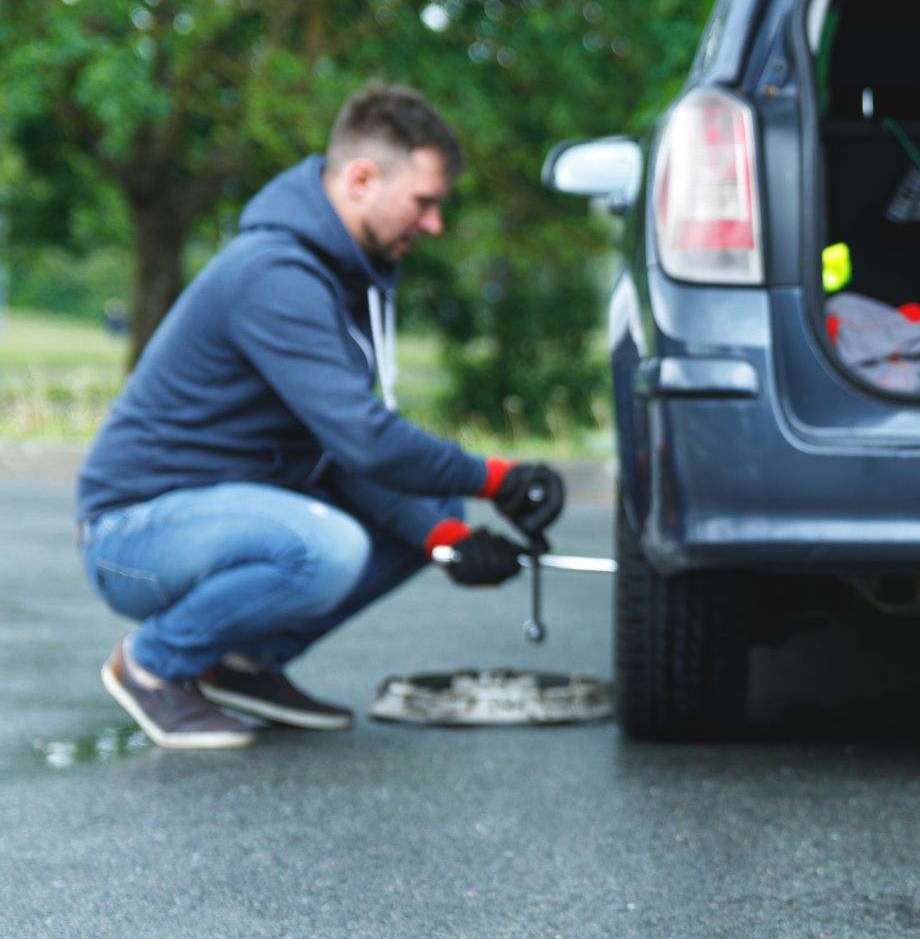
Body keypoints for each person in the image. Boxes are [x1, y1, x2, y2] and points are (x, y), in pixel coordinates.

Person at [75, 83, 563, 750]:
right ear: (362, 179)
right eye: (424, 203)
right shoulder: (275, 275)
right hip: (132, 534)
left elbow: (341, 452)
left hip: (229, 518)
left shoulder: (342, 282)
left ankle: (242, 663)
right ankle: (152, 666)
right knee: (326, 548)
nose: (434, 225)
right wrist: (500, 477)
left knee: (431, 503)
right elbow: (365, 439)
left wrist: (447, 538)